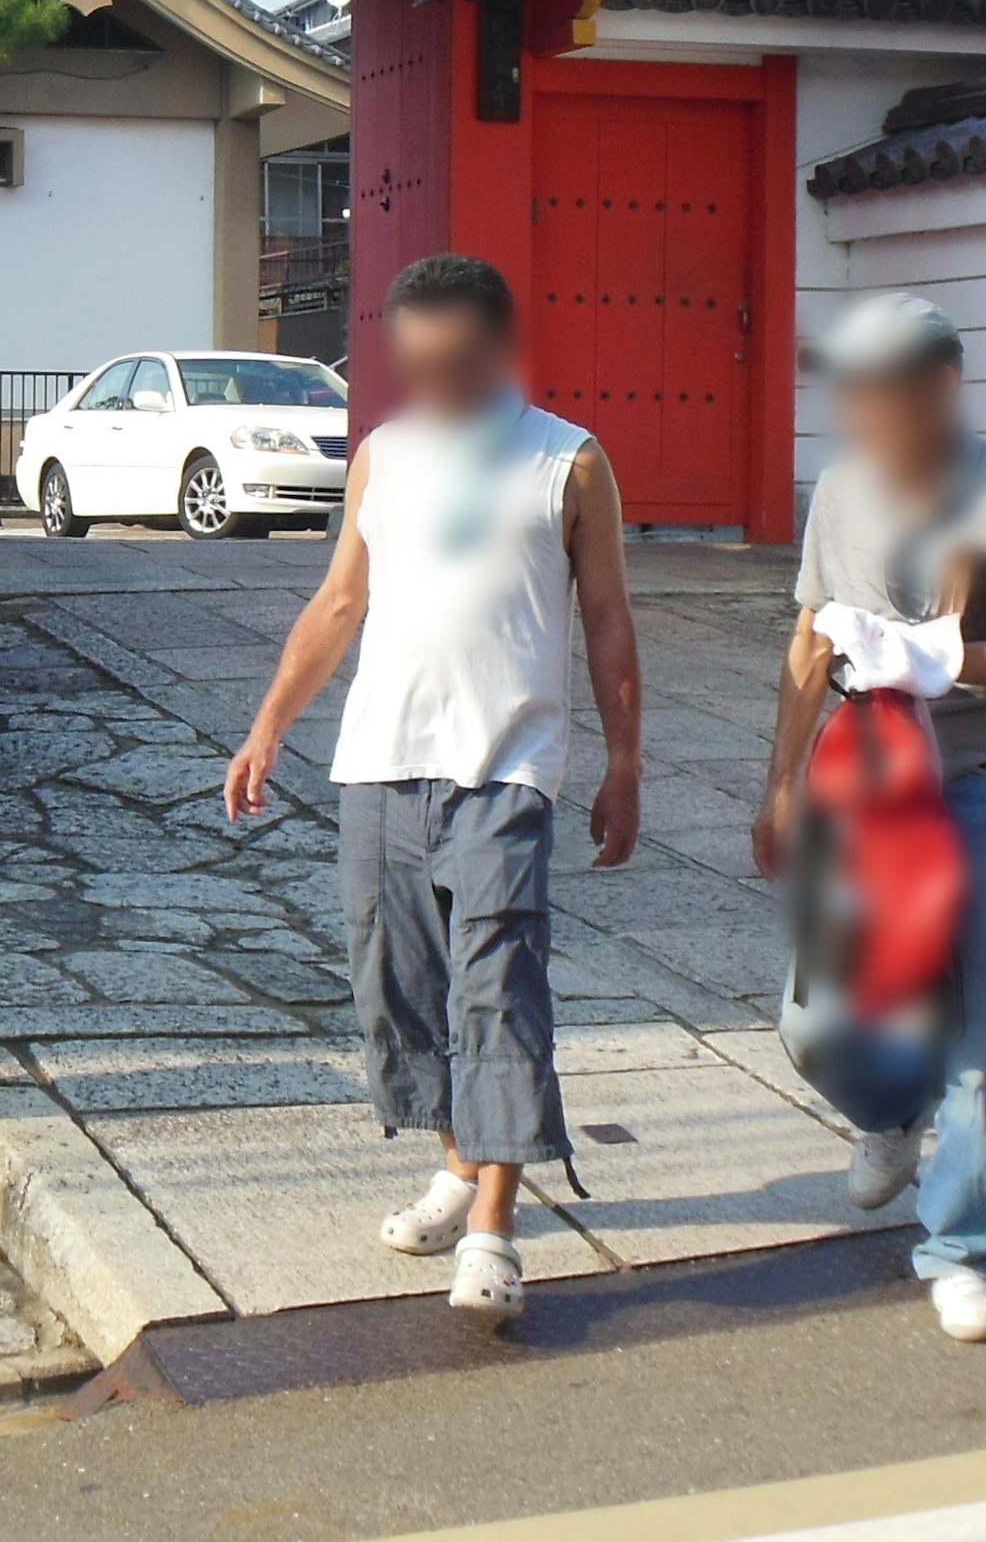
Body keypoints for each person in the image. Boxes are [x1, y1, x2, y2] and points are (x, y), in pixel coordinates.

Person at [221, 251, 644, 1329]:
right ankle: (460, 1163)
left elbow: (606, 622)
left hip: (505, 768)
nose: (433, 380)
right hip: (378, 761)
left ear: (499, 349)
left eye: (454, 359)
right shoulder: (383, 455)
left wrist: (627, 759)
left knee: (496, 987)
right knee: (395, 988)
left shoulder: (569, 460)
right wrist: (271, 722)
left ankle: (496, 1226)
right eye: (416, 360)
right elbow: (338, 601)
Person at [757, 291, 986, 1346]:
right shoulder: (843, 490)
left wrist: (956, 657)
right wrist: (779, 779)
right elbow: (810, 636)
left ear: (944, 385)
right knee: (821, 1020)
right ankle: (885, 1116)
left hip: (983, 780)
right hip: (866, 788)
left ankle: (964, 1248)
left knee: (981, 1041)